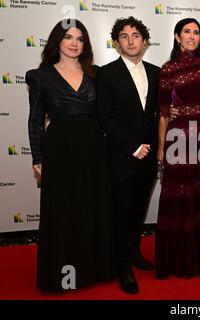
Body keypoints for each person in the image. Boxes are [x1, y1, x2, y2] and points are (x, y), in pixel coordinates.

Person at [26, 19, 115, 292]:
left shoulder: (96, 74)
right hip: (60, 148)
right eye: (68, 37)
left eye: (80, 38)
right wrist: (37, 157)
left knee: (91, 207)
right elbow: (35, 119)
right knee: (64, 210)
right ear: (58, 42)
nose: (74, 43)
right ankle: (65, 276)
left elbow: (110, 113)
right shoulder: (40, 76)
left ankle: (93, 270)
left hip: (92, 147)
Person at [155, 18, 200, 279]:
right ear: (177, 36)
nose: (192, 36)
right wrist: (161, 148)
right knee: (182, 197)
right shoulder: (167, 69)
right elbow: (164, 112)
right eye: (187, 31)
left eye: (197, 32)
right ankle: (181, 260)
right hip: (179, 138)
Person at [97, 17, 159, 294]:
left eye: (136, 35)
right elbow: (105, 118)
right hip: (122, 156)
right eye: (124, 36)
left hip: (148, 157)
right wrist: (133, 146)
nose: (131, 40)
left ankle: (134, 253)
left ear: (145, 41)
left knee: (138, 210)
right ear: (116, 42)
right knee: (121, 212)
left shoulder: (157, 72)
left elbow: (162, 113)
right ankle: (122, 266)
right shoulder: (107, 74)